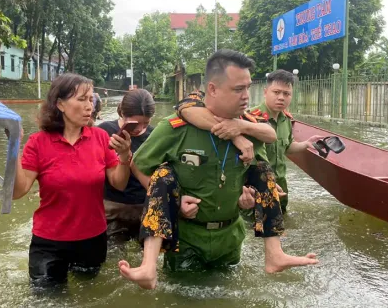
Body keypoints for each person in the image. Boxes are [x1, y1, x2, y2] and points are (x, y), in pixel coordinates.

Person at [118, 50, 318, 290]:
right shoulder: (176, 128)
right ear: (212, 89)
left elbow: (257, 170)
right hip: (188, 242)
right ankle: (148, 266)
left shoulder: (249, 129)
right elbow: (139, 165)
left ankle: (274, 253)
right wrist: (176, 201)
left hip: (230, 240)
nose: (246, 97)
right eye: (238, 89)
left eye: (248, 88)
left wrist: (250, 196)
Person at [11, 73, 132, 287]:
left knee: (88, 293)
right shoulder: (38, 142)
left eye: (90, 99)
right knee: (46, 299)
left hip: (92, 240)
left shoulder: (100, 138)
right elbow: (17, 192)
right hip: (48, 242)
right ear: (60, 104)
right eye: (81, 99)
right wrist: (13, 148)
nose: (89, 106)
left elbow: (119, 183)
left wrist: (124, 156)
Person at [178, 69, 323, 213]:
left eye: (286, 94)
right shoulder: (248, 118)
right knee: (256, 225)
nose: (281, 98)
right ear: (265, 92)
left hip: (280, 182)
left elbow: (287, 147)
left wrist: (306, 145)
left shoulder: (286, 120)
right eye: (276, 92)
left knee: (279, 222)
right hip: (254, 185)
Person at [98, 89, 155, 242]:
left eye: (146, 123)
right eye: (135, 123)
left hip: (143, 207)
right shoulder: (104, 131)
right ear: (123, 113)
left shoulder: (155, 136)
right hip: (112, 209)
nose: (140, 128)